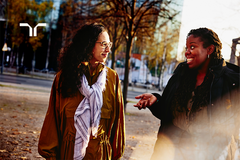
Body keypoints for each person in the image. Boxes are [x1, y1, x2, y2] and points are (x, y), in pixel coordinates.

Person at [134, 27, 240, 160]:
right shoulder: (180, 74)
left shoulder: (231, 81)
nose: (187, 52)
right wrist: (155, 100)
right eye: (186, 48)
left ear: (210, 50)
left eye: (192, 47)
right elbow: (166, 114)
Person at [38, 23, 125, 160]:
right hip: (69, 154)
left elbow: (118, 125)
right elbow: (52, 122)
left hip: (100, 155)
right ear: (88, 45)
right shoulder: (64, 77)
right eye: (103, 44)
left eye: (109, 44)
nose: (108, 49)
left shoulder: (112, 79)